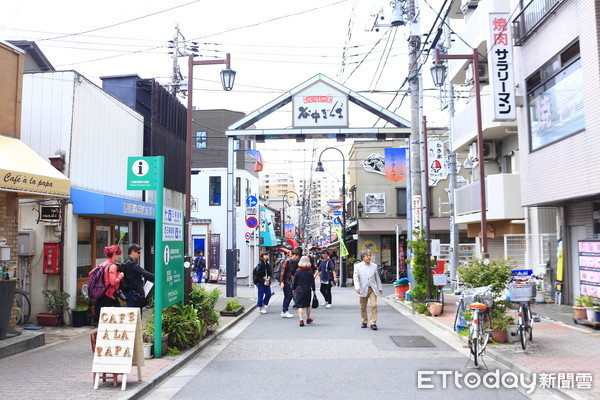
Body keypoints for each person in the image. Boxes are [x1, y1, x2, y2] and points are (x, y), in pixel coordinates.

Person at [353, 250, 383, 330]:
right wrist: (357, 287)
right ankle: (364, 321)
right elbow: (356, 278)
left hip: (372, 288)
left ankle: (373, 322)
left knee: (374, 305)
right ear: (363, 257)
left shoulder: (374, 266)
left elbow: (377, 278)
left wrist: (380, 288)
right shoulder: (357, 266)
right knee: (363, 306)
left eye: (370, 255)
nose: (369, 257)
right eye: (367, 256)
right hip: (363, 288)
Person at [93, 245, 124, 321]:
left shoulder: (103, 264)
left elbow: (91, 273)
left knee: (102, 320)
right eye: (118, 254)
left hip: (102, 294)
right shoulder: (112, 266)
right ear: (114, 254)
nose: (120, 256)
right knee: (114, 320)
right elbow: (113, 282)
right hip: (109, 296)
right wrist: (120, 276)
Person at [121, 244, 155, 310]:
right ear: (133, 252)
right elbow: (144, 273)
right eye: (138, 252)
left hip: (130, 291)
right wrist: (159, 277)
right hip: (133, 293)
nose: (139, 255)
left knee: (133, 312)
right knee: (134, 312)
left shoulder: (126, 261)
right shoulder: (131, 263)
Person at [292, 256, 316, 327]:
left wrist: (293, 289)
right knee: (307, 305)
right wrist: (314, 290)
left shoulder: (297, 271)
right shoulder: (310, 271)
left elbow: (295, 281)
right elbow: (312, 282)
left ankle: (301, 320)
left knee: (300, 306)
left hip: (299, 289)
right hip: (307, 289)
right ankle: (308, 318)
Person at [280, 248, 301, 318]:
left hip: (288, 281)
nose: (297, 257)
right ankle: (284, 311)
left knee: (287, 295)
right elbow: (282, 272)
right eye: (296, 256)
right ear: (293, 255)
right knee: (289, 295)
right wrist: (282, 282)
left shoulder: (291, 262)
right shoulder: (287, 261)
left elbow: (290, 272)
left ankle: (284, 311)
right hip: (285, 281)